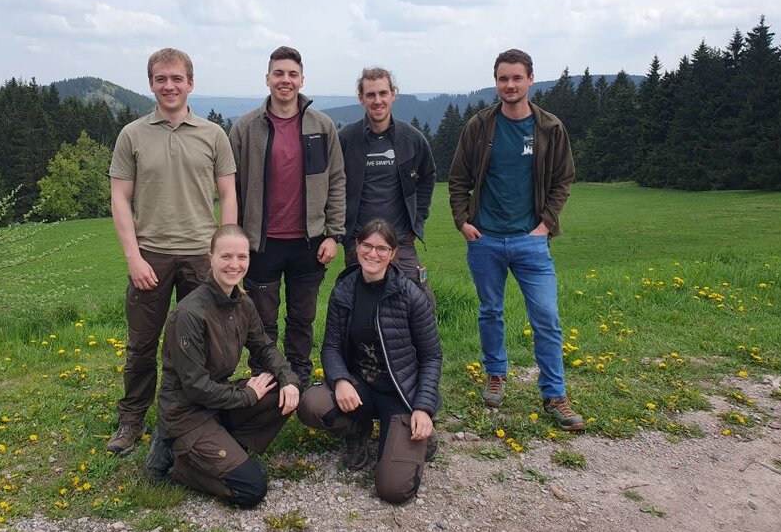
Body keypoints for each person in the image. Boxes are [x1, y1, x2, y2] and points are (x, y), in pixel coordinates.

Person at [106, 48, 238, 455]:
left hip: (202, 257)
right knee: (142, 344)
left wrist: (226, 255)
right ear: (151, 84)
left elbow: (229, 193)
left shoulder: (213, 134)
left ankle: (202, 413)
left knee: (204, 345)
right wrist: (133, 258)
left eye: (176, 78)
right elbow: (119, 197)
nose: (169, 86)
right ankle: (131, 420)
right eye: (161, 79)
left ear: (190, 83)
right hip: (152, 255)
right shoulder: (132, 134)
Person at [448, 48, 584, 431]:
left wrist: (546, 225)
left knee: (546, 318)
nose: (510, 85)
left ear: (530, 80)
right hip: (485, 239)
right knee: (490, 311)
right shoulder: (479, 126)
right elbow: (458, 179)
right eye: (503, 79)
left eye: (516, 78)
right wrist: (463, 222)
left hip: (531, 241)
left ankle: (554, 395)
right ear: (496, 82)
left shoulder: (549, 128)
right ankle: (496, 375)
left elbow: (563, 180)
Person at [143, 224, 301, 508]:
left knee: (282, 392)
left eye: (242, 257)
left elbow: (263, 347)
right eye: (226, 256)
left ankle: (224, 446)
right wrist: (247, 396)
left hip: (218, 403)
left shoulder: (243, 303)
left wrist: (288, 378)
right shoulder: (189, 315)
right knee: (253, 488)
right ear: (211, 257)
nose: (235, 264)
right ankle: (180, 463)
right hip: (187, 412)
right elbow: (195, 387)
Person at [297, 219, 442, 504]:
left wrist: (423, 408)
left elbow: (432, 356)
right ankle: (358, 428)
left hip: (401, 395)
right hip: (360, 388)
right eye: (367, 246)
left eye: (381, 248)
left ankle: (423, 433)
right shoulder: (345, 290)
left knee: (393, 489)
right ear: (357, 247)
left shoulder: (411, 295)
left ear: (393, 253)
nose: (373, 254)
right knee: (310, 405)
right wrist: (339, 380)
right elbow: (331, 346)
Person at [229, 46, 346, 387]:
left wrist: (333, 234)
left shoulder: (321, 126)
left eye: (292, 74)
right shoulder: (246, 128)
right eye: (278, 73)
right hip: (260, 242)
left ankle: (300, 379)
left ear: (302, 80)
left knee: (302, 318)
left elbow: (336, 180)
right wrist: (236, 236)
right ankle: (265, 379)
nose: (285, 80)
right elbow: (231, 185)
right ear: (267, 79)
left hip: (309, 242)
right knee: (262, 320)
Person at [339, 67, 436, 304]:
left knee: (421, 303)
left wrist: (417, 222)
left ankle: (413, 344)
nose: (378, 100)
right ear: (361, 98)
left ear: (394, 94)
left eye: (383, 93)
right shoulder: (346, 139)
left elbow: (428, 176)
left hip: (400, 240)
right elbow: (334, 185)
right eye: (371, 95)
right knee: (359, 307)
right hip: (359, 243)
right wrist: (344, 232)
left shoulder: (411, 138)